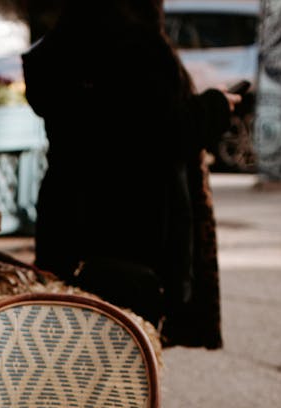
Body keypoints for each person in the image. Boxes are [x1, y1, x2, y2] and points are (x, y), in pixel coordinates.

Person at [22, 0, 239, 347]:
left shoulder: (65, 41)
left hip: (72, 222)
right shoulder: (135, 46)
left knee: (75, 347)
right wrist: (215, 106)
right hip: (134, 229)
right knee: (128, 355)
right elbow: (160, 133)